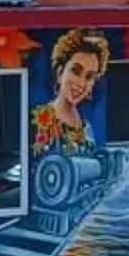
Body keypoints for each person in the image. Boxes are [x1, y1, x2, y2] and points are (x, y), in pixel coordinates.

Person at [32, 28, 112, 159]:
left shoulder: (87, 128)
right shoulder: (41, 120)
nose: (81, 83)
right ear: (60, 72)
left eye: (89, 77)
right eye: (76, 71)